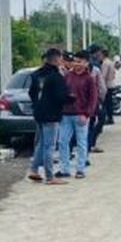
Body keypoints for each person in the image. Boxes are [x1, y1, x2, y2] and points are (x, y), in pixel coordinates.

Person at [27, 48, 69, 185]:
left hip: (38, 113)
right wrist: (71, 99)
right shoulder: (56, 76)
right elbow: (61, 96)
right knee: (49, 146)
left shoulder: (36, 75)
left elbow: (31, 93)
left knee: (41, 144)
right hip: (51, 115)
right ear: (57, 59)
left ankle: (34, 170)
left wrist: (38, 105)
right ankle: (50, 176)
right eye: (61, 58)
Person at [57, 50, 99, 179]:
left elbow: (93, 99)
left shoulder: (89, 79)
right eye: (75, 61)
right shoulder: (68, 76)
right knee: (63, 142)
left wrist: (86, 114)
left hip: (81, 116)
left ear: (86, 63)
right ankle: (64, 169)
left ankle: (80, 169)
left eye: (79, 62)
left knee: (81, 143)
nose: (76, 64)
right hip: (66, 115)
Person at [88, 45, 108, 153]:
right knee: (98, 119)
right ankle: (90, 144)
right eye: (100, 53)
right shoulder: (95, 66)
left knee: (89, 122)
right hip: (94, 99)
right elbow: (101, 87)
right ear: (96, 53)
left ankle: (89, 144)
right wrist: (100, 99)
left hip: (85, 100)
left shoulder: (91, 63)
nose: (101, 55)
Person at [97, 46, 118, 126]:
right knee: (109, 102)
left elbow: (103, 76)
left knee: (106, 103)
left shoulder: (105, 63)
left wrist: (100, 85)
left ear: (103, 55)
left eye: (100, 55)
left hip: (107, 85)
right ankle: (110, 117)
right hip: (111, 83)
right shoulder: (110, 62)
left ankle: (108, 118)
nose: (99, 57)